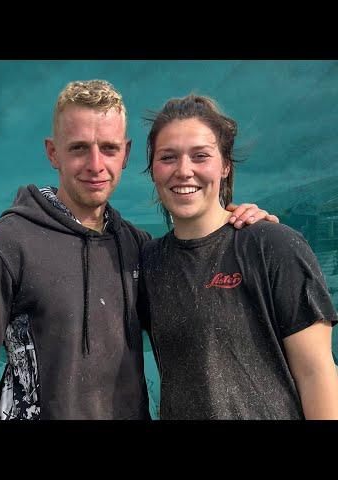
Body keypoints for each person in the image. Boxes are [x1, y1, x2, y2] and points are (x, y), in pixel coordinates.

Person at [0, 80, 275, 420]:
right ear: (53, 152)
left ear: (126, 153)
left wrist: (243, 231)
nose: (96, 164)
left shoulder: (138, 248)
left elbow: (201, 308)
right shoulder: (6, 245)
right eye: (78, 148)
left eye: (109, 148)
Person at [140, 94, 338, 419]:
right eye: (168, 157)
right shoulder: (149, 263)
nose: (184, 170)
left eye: (200, 155)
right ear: (153, 170)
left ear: (225, 164)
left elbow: (317, 373)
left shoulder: (274, 246)